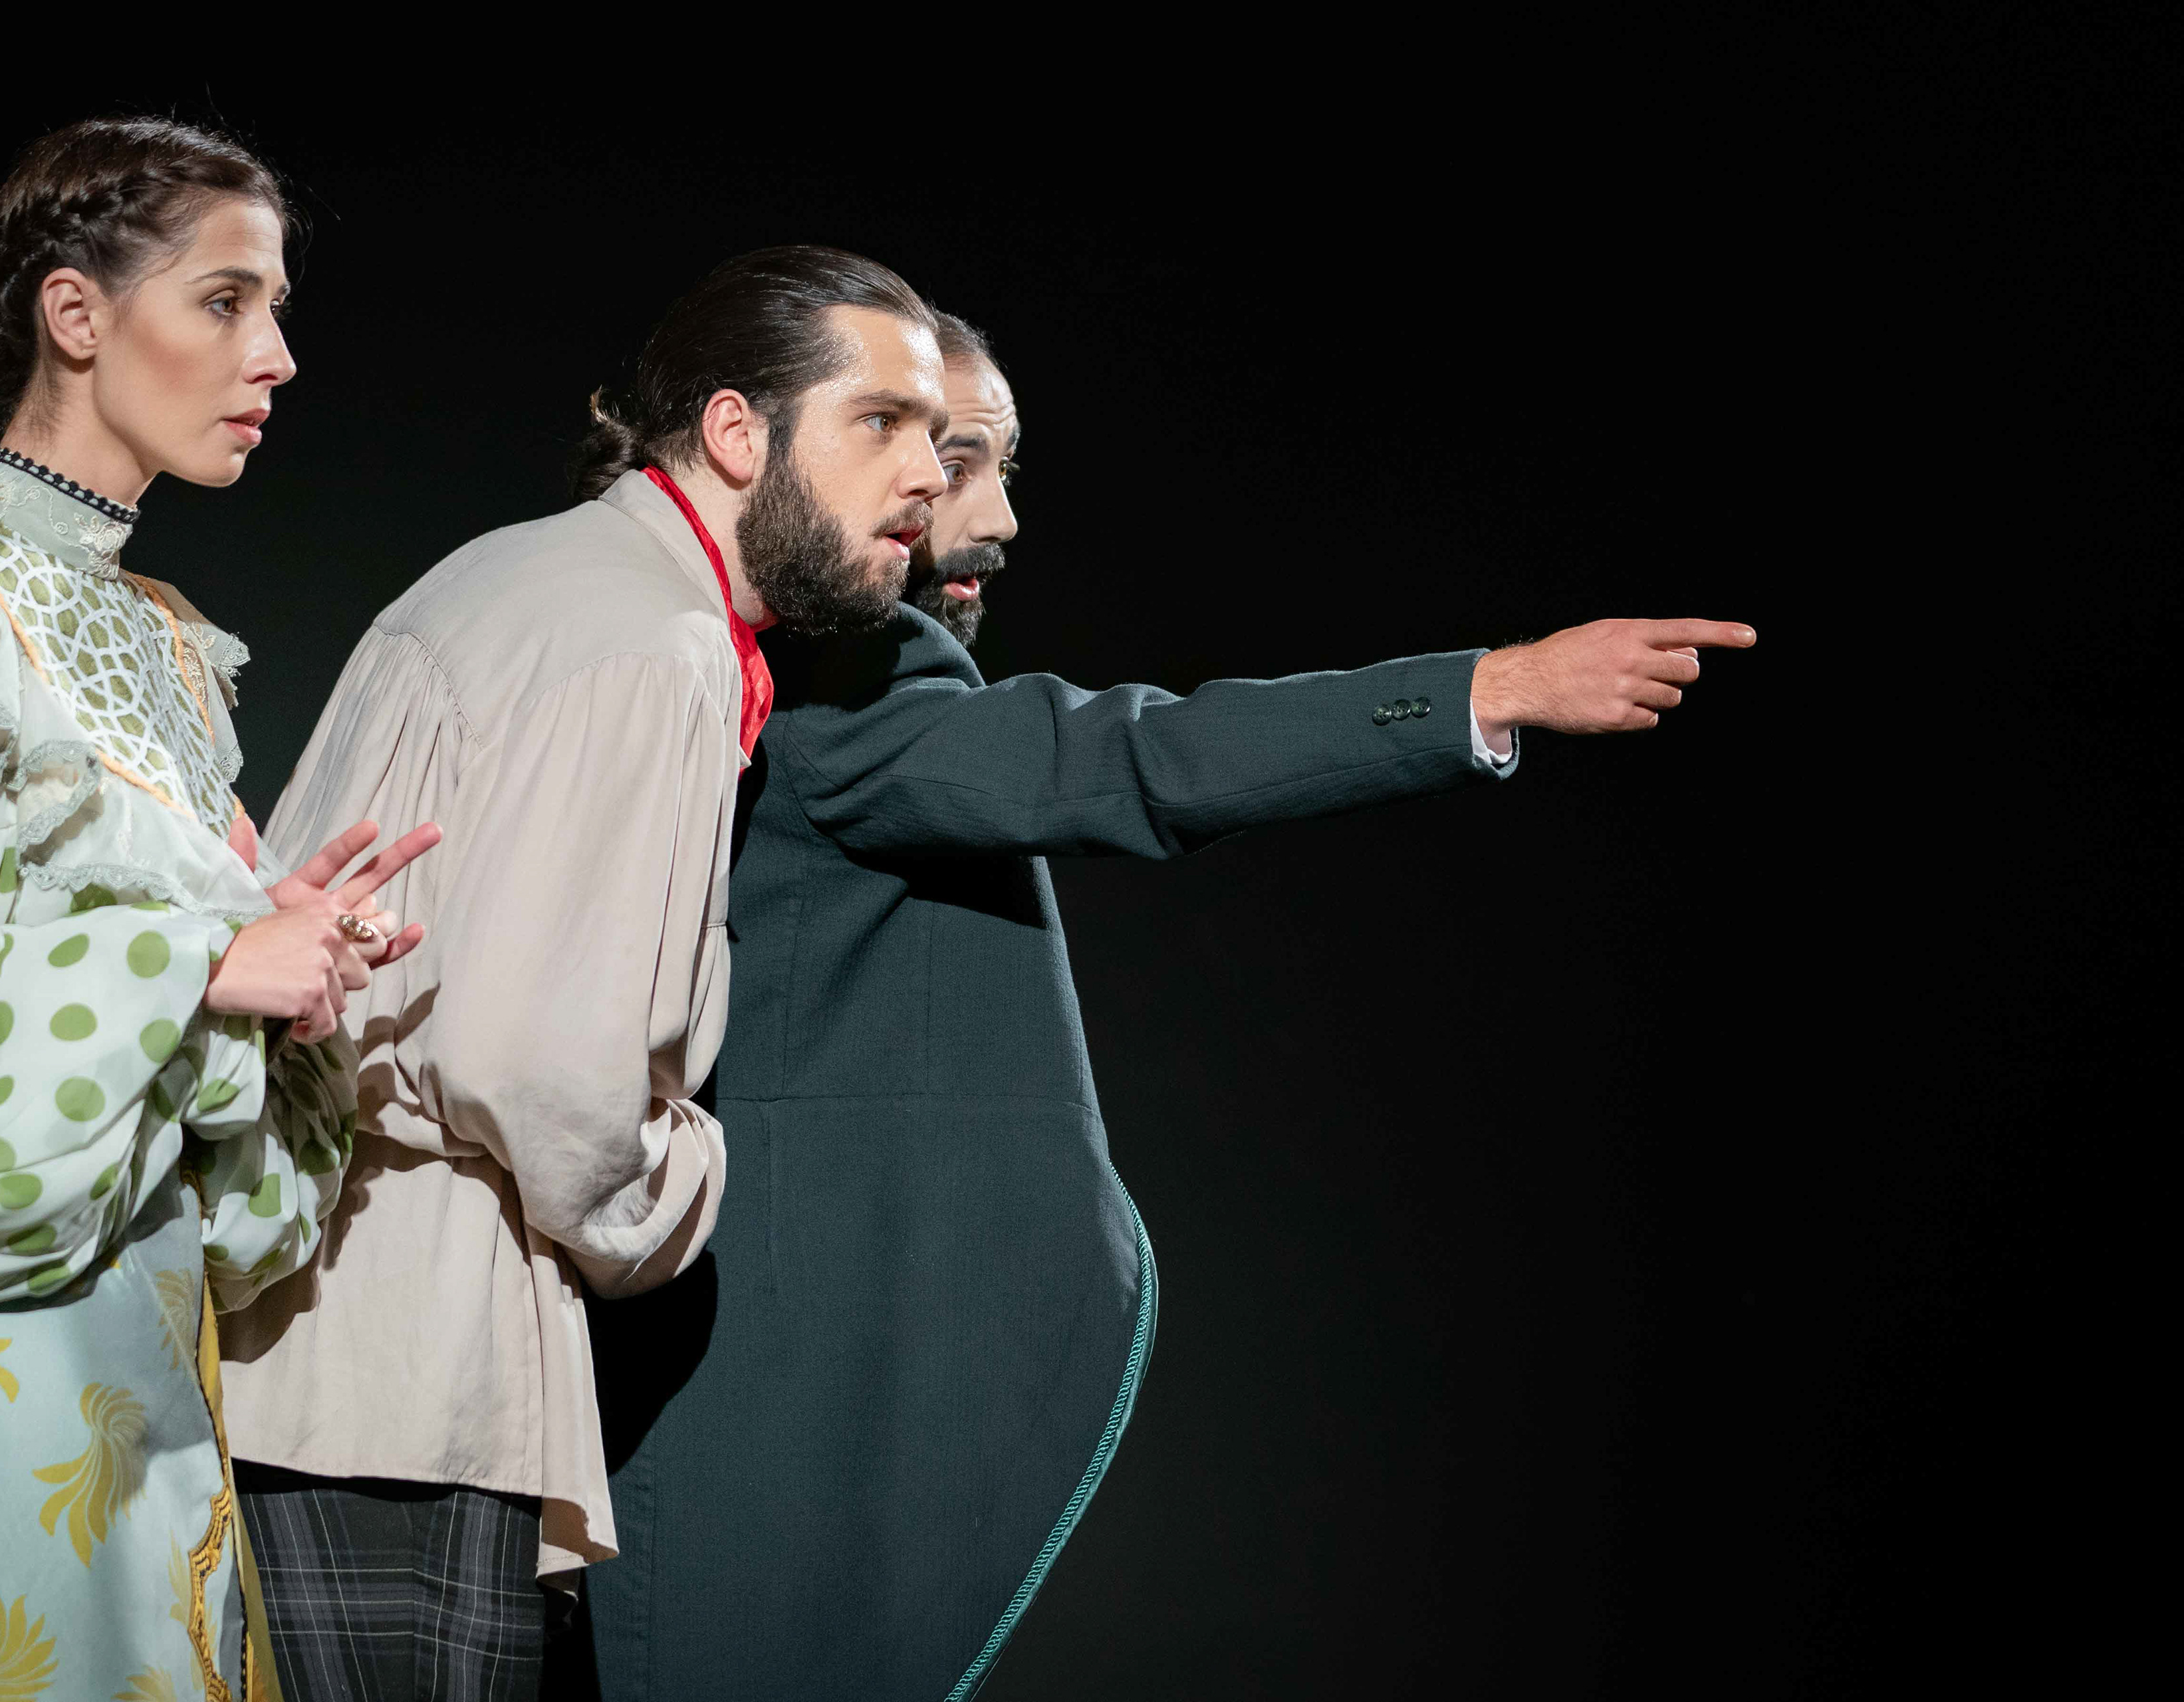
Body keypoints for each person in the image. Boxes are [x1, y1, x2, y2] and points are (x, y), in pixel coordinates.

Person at [574, 310, 1758, 1699]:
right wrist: (1490, 690)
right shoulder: (844, 687)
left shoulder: (756, 669)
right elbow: (1130, 756)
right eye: (949, 458)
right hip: (760, 1388)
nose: (995, 515)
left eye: (995, 463)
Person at [0, 117, 438, 1702]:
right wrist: (200, 956)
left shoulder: (170, 644)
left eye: (276, 306)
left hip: (142, 1335)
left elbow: (184, 1050)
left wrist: (285, 955)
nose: (276, 355)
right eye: (226, 301)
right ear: (76, 314)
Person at [219, 247, 952, 1701]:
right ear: (736, 432)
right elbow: (540, 1074)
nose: (926, 472)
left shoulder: (526, 573)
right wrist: (692, 1184)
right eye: (881, 421)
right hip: (407, 1380)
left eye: (933, 433)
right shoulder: (652, 640)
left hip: (323, 1357)